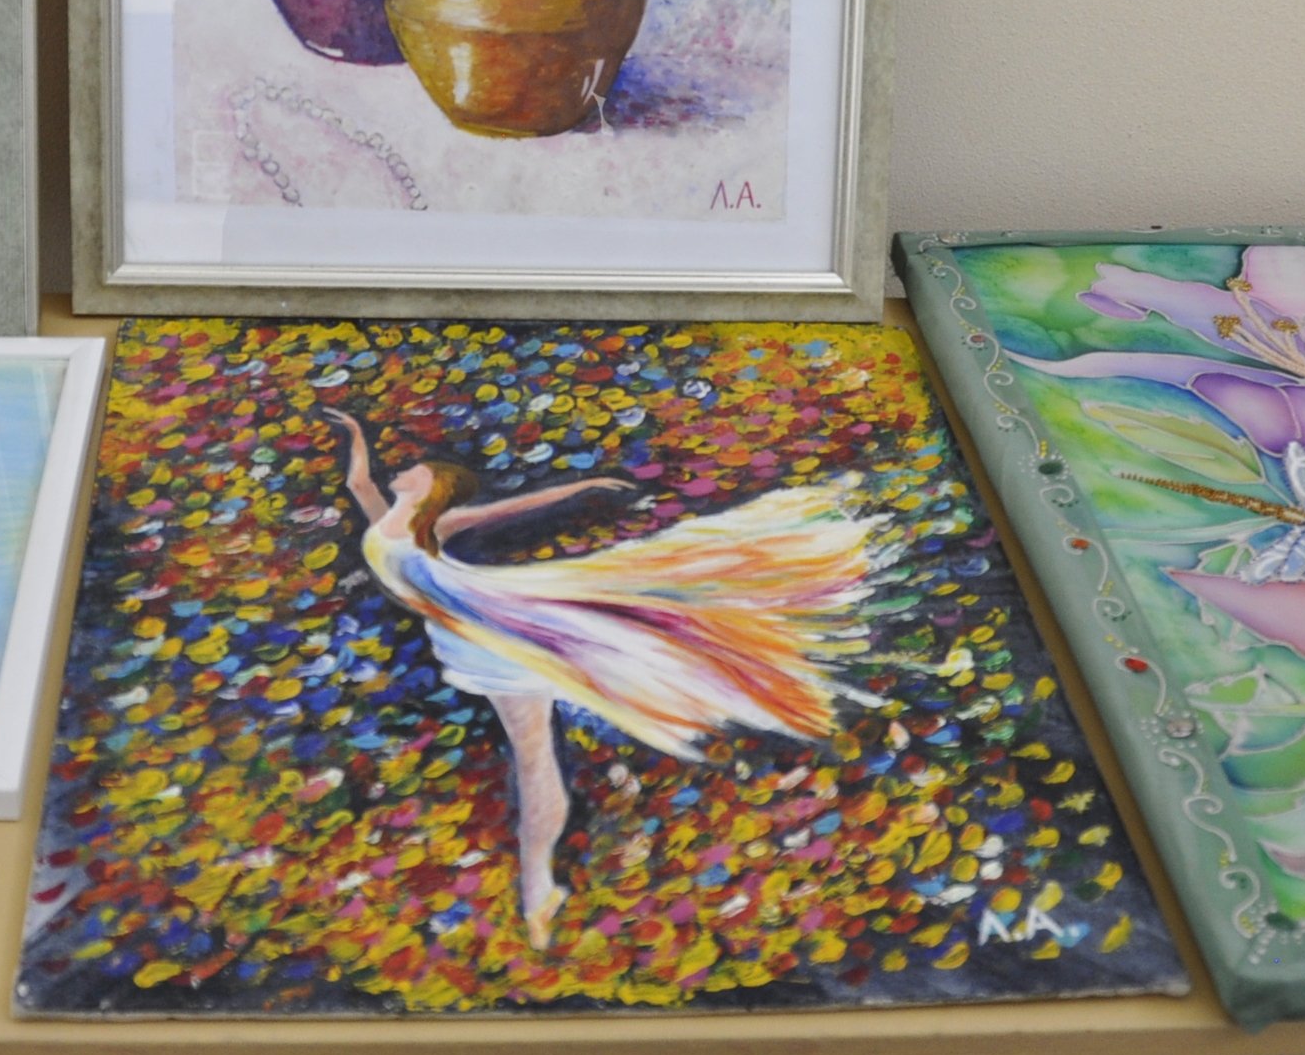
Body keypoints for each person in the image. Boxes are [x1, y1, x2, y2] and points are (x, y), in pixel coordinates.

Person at [323, 406, 888, 949]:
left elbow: (513, 506)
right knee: (533, 758)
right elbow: (358, 484)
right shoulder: (396, 523)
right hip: (486, 634)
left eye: (416, 469)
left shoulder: (433, 524)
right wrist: (355, 435)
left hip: (498, 640)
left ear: (433, 485)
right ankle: (538, 886)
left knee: (534, 759)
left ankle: (538, 887)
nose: (406, 470)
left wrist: (581, 485)